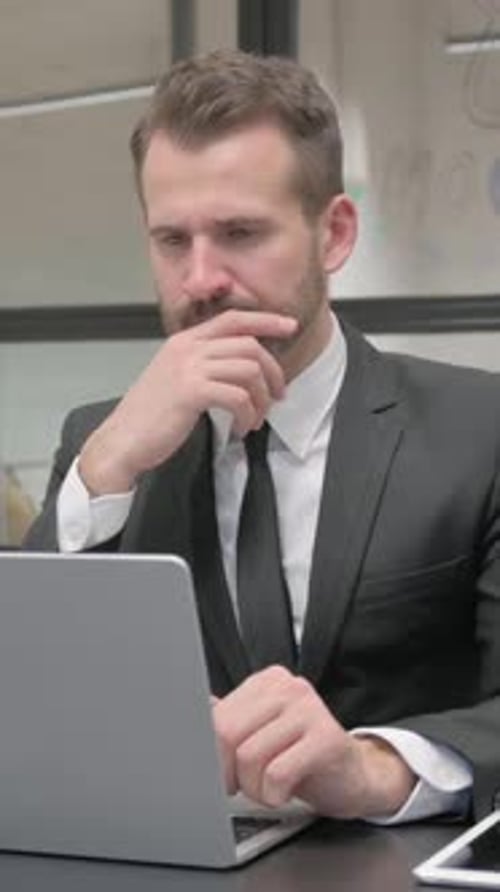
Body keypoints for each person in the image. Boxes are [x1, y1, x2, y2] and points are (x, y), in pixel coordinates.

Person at [26, 49, 500, 823]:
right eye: (172, 241)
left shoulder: (478, 431)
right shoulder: (103, 443)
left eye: (240, 233)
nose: (201, 278)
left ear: (334, 234)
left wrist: (376, 766)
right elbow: (31, 697)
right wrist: (107, 464)